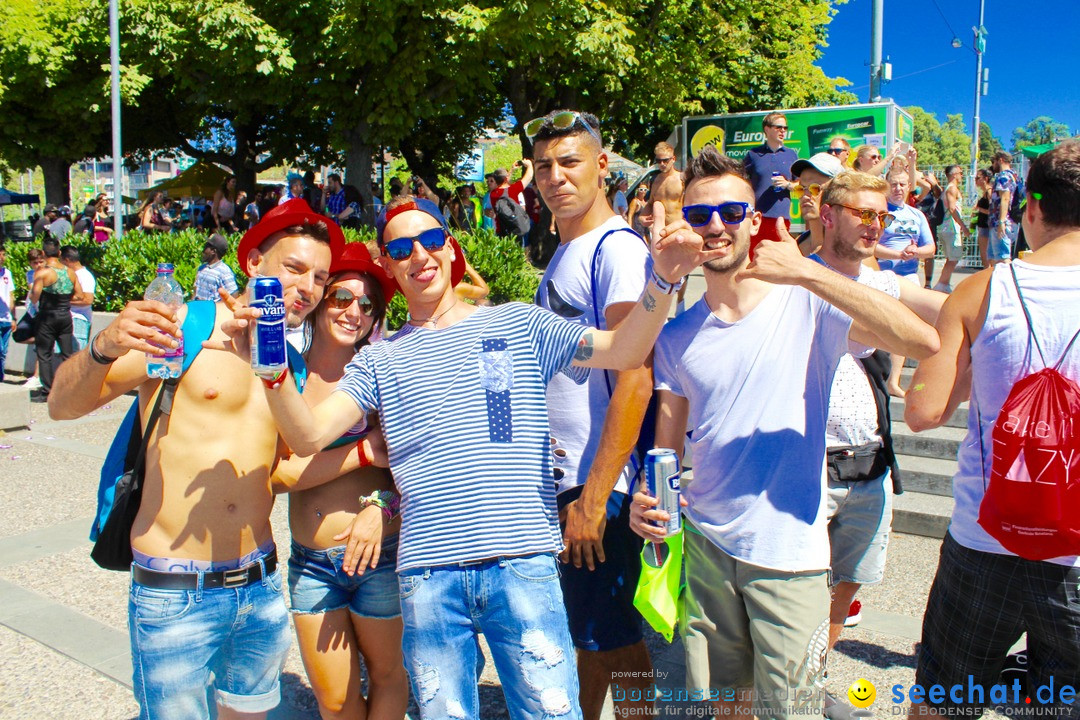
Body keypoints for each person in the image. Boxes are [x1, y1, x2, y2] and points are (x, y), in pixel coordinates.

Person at [228, 190, 716, 720]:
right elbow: (306, 437)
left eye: (431, 239)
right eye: (401, 249)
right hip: (428, 577)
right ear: (389, 266)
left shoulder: (520, 324)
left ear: (451, 246)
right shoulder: (378, 360)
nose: (419, 255)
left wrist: (664, 280)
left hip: (521, 562)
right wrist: (270, 362)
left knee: (550, 713)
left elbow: (621, 349)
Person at [628, 145, 938, 720]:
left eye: (729, 212)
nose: (715, 226)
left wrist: (804, 270)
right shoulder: (676, 337)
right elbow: (665, 449)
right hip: (705, 547)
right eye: (699, 216)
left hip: (789, 551)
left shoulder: (807, 300)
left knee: (790, 709)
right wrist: (647, 504)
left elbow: (922, 341)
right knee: (726, 707)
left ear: (754, 219)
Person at [47, 198, 345, 719]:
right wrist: (104, 346)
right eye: (294, 268)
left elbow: (275, 471)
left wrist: (370, 469)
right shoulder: (183, 328)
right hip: (175, 590)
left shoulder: (288, 364)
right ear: (253, 264)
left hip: (259, 584)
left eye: (319, 278)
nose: (308, 288)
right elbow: (62, 407)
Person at [903, 140, 1080, 720]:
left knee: (944, 699)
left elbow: (922, 413)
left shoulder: (981, 289)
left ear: (1030, 209)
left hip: (985, 539)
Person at [804, 173, 945, 718]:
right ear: (828, 214)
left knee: (844, 590)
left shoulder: (883, 281)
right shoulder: (796, 276)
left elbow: (947, 313)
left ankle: (811, 681)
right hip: (809, 465)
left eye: (882, 216)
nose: (875, 225)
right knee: (797, 594)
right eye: (864, 213)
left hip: (869, 465)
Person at [528, 110, 654, 720]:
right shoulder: (568, 250)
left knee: (619, 640)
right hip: (565, 476)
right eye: (544, 165)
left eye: (570, 162)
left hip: (597, 480)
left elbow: (636, 373)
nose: (555, 176)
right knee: (589, 631)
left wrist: (597, 496)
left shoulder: (617, 249)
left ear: (602, 166)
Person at [271, 243, 409, 720]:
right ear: (321, 299)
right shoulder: (285, 371)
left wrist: (380, 507)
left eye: (368, 305)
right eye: (342, 298)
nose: (354, 312)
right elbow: (276, 475)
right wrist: (363, 450)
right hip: (312, 564)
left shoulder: (383, 371)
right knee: (334, 701)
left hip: (381, 557)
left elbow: (414, 465)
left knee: (391, 676)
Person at [874, 167, 936, 397]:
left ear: (909, 186)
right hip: (881, 276)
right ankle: (878, 377)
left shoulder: (917, 215)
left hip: (909, 279)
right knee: (882, 329)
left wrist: (915, 251)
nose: (898, 188)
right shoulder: (879, 212)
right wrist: (896, 255)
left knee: (906, 329)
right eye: (894, 184)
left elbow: (931, 249)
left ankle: (894, 381)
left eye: (902, 184)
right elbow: (871, 246)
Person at [28, 238, 83, 401]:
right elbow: (79, 295)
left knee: (45, 354)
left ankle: (47, 391)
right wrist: (65, 299)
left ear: (43, 253)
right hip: (65, 315)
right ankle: (72, 388)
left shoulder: (43, 272)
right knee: (67, 354)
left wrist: (33, 293)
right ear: (59, 253)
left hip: (47, 316)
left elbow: (34, 298)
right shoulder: (70, 272)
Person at [647, 142, 687, 310]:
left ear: (673, 159)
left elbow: (690, 203)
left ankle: (680, 303)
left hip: (679, 229)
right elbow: (650, 203)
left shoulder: (681, 178)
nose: (662, 164)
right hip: (659, 233)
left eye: (665, 160)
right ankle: (660, 308)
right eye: (658, 161)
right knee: (659, 271)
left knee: (682, 271)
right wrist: (643, 218)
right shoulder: (655, 180)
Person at [741, 112, 798, 220]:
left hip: (782, 218)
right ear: (767, 129)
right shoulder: (753, 154)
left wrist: (787, 184)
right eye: (779, 127)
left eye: (785, 128)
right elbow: (742, 183)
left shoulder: (791, 154)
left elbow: (801, 184)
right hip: (757, 217)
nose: (783, 131)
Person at [790, 151, 845, 256]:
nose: (805, 195)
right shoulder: (797, 246)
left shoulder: (851, 249)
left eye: (815, 188)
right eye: (800, 189)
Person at [932, 165, 971, 293]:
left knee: (952, 257)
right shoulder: (952, 189)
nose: (962, 175)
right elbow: (952, 208)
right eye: (960, 173)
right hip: (951, 227)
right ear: (954, 174)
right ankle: (942, 284)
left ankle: (944, 283)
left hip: (948, 227)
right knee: (954, 257)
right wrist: (963, 226)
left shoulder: (948, 189)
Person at [488, 160, 535, 241]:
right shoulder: (513, 189)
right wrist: (530, 165)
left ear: (495, 180)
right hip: (516, 229)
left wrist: (512, 170)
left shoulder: (493, 194)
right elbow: (529, 176)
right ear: (506, 178)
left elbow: (505, 181)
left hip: (501, 231)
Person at [60, 245, 96, 351]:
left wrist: (63, 300)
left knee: (76, 354)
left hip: (79, 321)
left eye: (60, 260)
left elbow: (88, 300)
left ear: (66, 260)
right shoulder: (71, 274)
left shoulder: (85, 276)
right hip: (68, 320)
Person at [988, 149, 1020, 265]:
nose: (993, 165)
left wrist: (1001, 221)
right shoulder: (1014, 176)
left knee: (1003, 258)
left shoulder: (1004, 176)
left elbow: (1005, 198)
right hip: (1002, 221)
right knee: (994, 258)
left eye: (994, 161)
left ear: (1000, 160)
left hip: (1001, 222)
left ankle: (1006, 282)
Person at [194, 234, 241, 302]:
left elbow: (234, 295)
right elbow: (196, 290)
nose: (203, 251)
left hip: (213, 311)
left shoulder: (224, 271)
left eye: (205, 247)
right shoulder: (202, 268)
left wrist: (219, 308)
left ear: (213, 251)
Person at [974, 167, 992, 268]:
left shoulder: (989, 192)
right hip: (983, 225)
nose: (976, 180)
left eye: (978, 178)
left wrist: (979, 209)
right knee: (984, 255)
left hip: (986, 226)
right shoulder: (985, 192)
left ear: (985, 179)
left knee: (986, 255)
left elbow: (992, 211)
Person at [0, 241, 13, 383]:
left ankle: (1, 379)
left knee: (3, 352)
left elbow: (11, 296)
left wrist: (13, 317)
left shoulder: (7, 273)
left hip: (6, 318)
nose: (2, 257)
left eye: (3, 254)